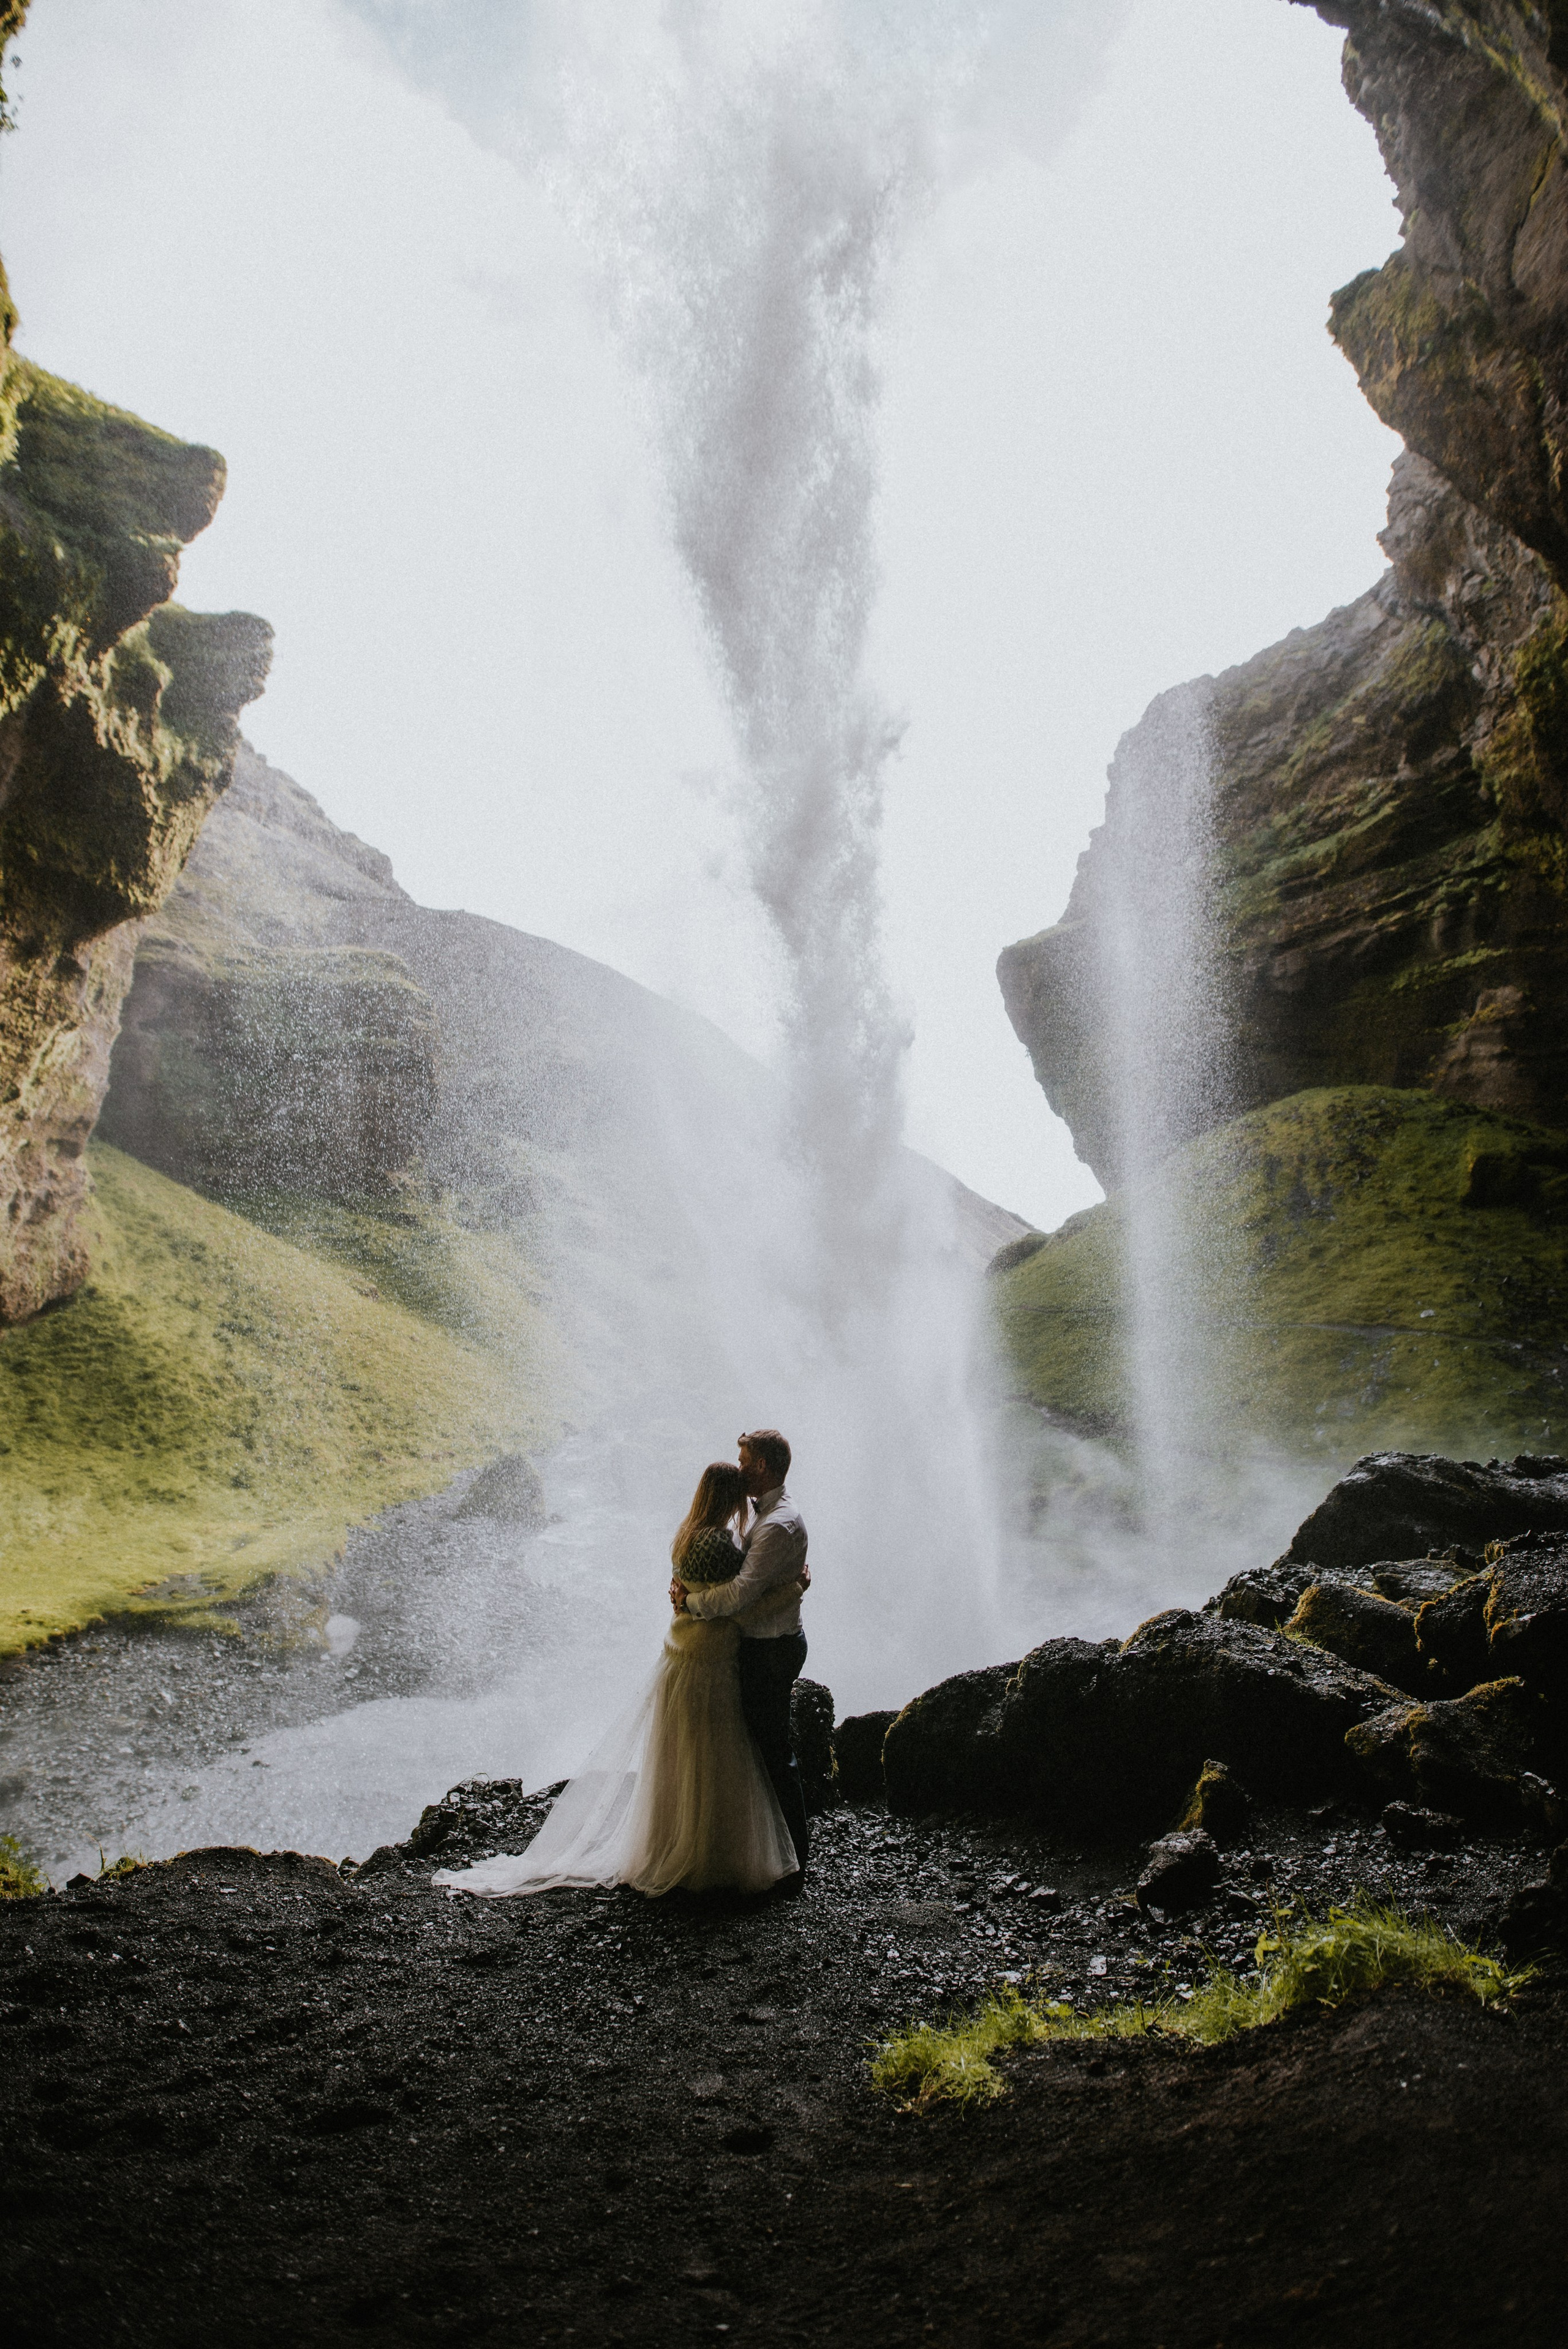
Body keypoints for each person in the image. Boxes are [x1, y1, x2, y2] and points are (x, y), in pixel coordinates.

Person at [432, 1458, 801, 1900]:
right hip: (709, 1657)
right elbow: (737, 1604)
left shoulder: (686, 1535)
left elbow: (695, 1593)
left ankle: (673, 1844)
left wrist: (687, 1599)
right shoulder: (721, 1545)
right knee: (712, 1755)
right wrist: (792, 1589)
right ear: (726, 1498)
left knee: (681, 1756)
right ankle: (708, 1851)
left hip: (681, 1653)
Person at [671, 1428, 810, 1893]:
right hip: (753, 1645)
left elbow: (737, 1596)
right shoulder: (758, 1518)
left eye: (746, 1460)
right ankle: (771, 1851)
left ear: (764, 1468)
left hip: (771, 1647)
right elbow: (739, 1594)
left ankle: (791, 1860)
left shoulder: (775, 1524)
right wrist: (793, 1588)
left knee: (772, 1752)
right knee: (758, 1750)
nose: (740, 1468)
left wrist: (690, 1602)